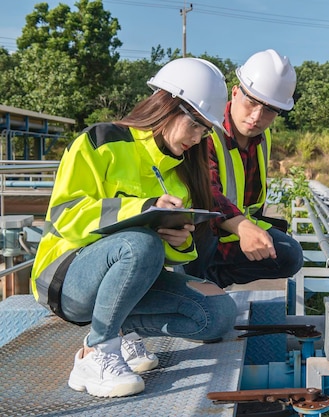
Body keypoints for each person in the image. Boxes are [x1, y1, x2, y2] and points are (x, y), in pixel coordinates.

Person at [30, 58, 238, 398]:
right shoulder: (99, 140)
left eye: (206, 131)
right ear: (170, 105)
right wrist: (140, 209)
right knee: (140, 244)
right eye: (197, 125)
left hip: (130, 281)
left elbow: (163, 255)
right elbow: (64, 215)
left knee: (217, 314)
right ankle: (96, 352)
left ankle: (121, 333)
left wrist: (181, 240)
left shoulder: (180, 174)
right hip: (65, 278)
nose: (199, 138)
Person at [184, 49, 303, 288]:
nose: (257, 116)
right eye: (252, 102)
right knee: (201, 236)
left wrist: (248, 227)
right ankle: (190, 284)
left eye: (269, 109)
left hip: (234, 231)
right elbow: (206, 190)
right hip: (202, 230)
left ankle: (210, 282)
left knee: (290, 256)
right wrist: (242, 226)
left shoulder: (263, 136)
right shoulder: (207, 129)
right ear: (235, 92)